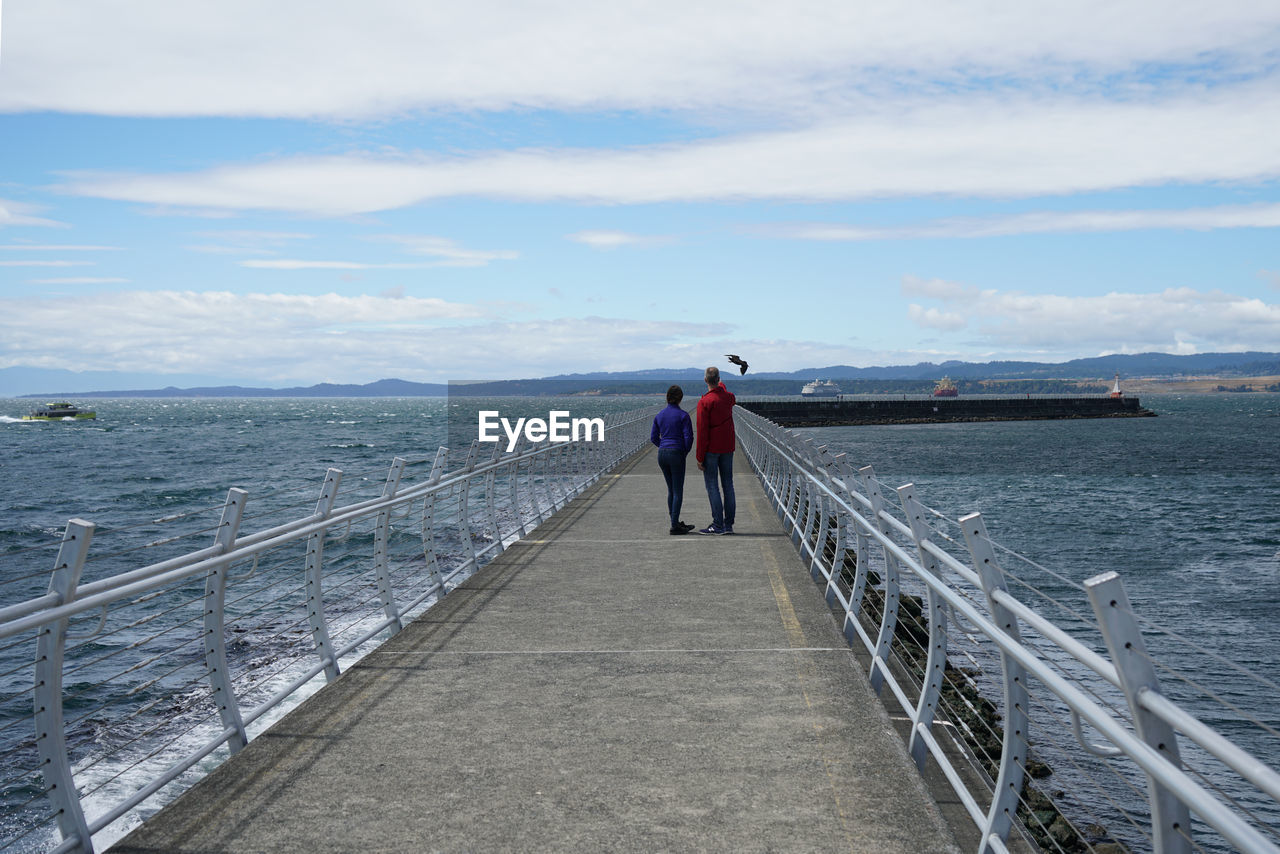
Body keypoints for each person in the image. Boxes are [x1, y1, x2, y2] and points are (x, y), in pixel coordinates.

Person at [695, 366, 736, 534]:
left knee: (712, 485)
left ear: (705, 380)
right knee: (728, 485)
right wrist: (722, 387)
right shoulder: (729, 398)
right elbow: (727, 395)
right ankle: (728, 525)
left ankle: (717, 525)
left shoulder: (704, 402)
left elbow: (702, 431)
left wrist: (699, 456)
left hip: (712, 449)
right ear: (718, 380)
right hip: (728, 447)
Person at [650, 385, 694, 535]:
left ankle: (674, 521)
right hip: (676, 453)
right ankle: (674, 525)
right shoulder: (683, 416)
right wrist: (684, 452)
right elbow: (689, 437)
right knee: (678, 491)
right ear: (680, 398)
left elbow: (653, 437)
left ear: (667, 397)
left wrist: (662, 445)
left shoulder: (659, 415)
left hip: (662, 453)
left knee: (671, 490)